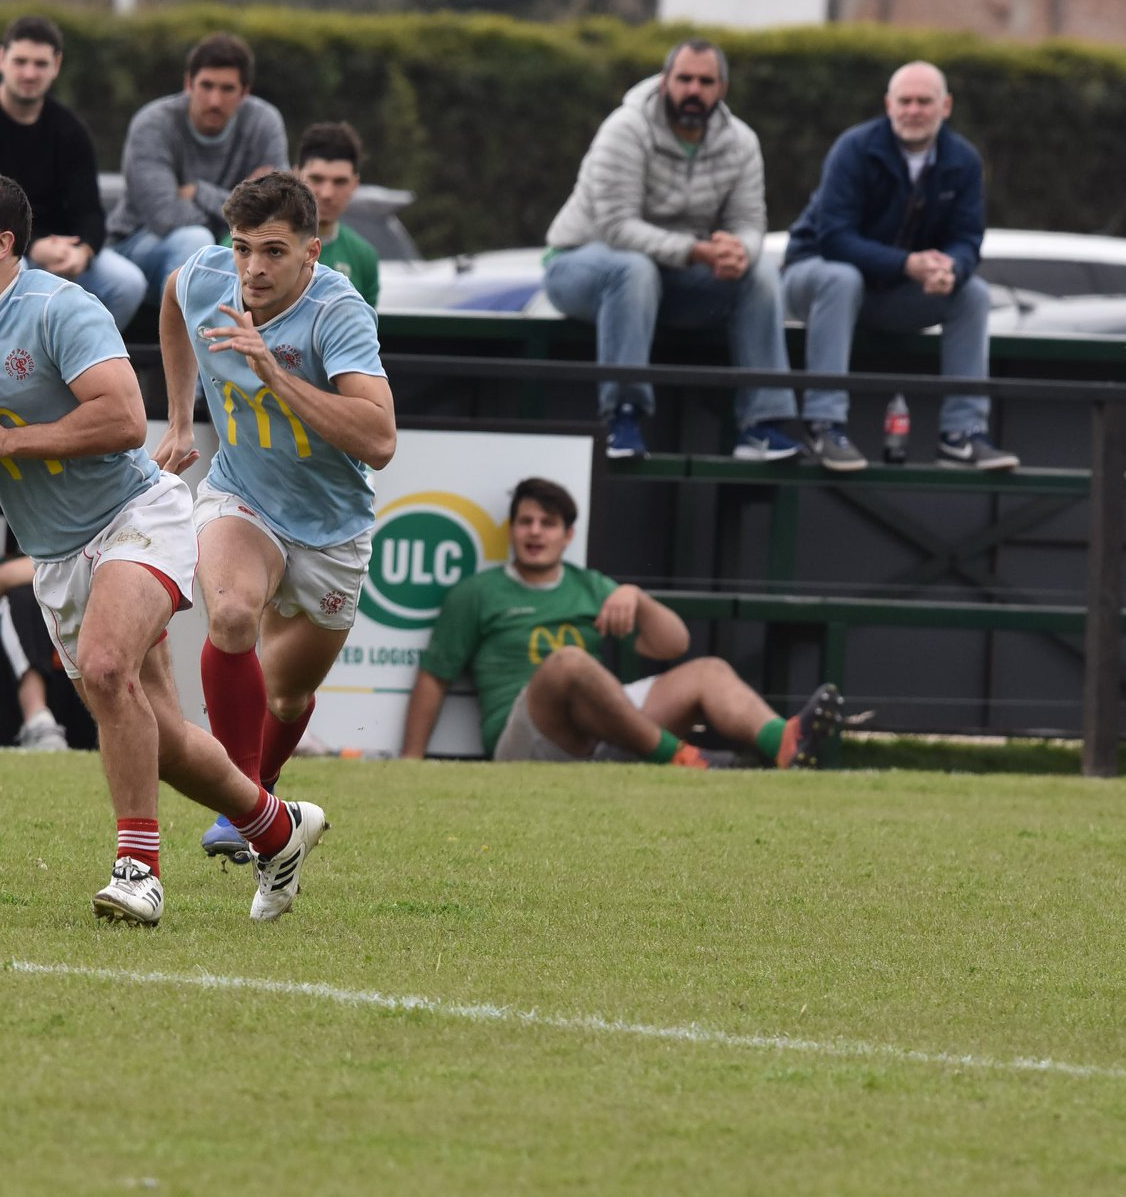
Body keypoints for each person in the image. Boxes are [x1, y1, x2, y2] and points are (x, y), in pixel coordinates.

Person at [0, 168, 327, 927]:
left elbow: (122, 421)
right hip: (56, 554)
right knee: (163, 739)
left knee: (109, 668)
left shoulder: (60, 307)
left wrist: (2, 439)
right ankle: (278, 830)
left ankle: (137, 871)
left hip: (134, 514)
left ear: (3, 242)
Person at [151, 172, 393, 863]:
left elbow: (379, 439)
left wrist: (276, 374)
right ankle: (246, 809)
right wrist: (180, 417)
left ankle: (260, 785)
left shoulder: (338, 312)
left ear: (312, 252)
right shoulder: (208, 278)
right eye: (243, 248)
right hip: (242, 495)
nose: (253, 267)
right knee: (231, 616)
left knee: (287, 699)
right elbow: (172, 297)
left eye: (274, 251)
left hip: (332, 526)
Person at [400, 478, 843, 768]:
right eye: (526, 522)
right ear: (512, 530)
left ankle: (782, 743)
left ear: (568, 535)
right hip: (527, 742)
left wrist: (637, 597)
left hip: (602, 733)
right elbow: (435, 676)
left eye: (548, 523)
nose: (535, 532)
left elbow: (673, 645)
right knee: (568, 661)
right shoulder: (477, 592)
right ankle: (682, 759)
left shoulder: (590, 585)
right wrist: (412, 760)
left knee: (709, 670)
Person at [543, 39, 801, 463]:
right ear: (665, 82)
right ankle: (621, 419)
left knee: (761, 273)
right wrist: (696, 251)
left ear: (722, 89)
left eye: (705, 81)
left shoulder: (742, 141)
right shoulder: (625, 128)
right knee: (633, 269)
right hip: (579, 264)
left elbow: (749, 221)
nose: (693, 89)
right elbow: (617, 228)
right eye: (684, 79)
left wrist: (739, 250)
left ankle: (762, 426)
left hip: (669, 278)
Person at [782, 61, 1019, 472]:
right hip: (813, 280)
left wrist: (950, 269)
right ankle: (824, 425)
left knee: (973, 293)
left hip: (886, 295)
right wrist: (907, 264)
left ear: (945, 106)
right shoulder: (854, 148)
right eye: (904, 101)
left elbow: (967, 239)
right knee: (842, 278)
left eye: (924, 101)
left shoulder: (963, 159)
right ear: (888, 104)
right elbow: (834, 239)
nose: (913, 110)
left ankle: (961, 434)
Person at [0, 15, 145, 330]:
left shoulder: (71, 130)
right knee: (13, 270)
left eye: (40, 63)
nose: (29, 73)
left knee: (127, 283)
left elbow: (90, 210)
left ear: (56, 65)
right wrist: (33, 245)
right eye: (20, 61)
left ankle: (82, 354)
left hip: (62, 250)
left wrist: (83, 252)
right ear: (1, 59)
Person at [105, 32, 288, 305]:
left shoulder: (264, 122)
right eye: (206, 86)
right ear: (189, 84)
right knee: (198, 241)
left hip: (231, 244)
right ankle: (184, 334)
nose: (215, 100)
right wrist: (246, 205)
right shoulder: (153, 123)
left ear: (244, 92)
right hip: (136, 243)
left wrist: (199, 192)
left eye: (227, 89)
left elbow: (278, 212)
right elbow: (165, 216)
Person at [0, 552, 97, 751]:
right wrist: (84, 566)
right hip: (8, 708)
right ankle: (38, 720)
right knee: (22, 596)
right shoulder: (5, 565)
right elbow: (1, 578)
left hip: (81, 693)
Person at [296, 121, 380, 306]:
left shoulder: (364, 257)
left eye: (340, 182)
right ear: (297, 175)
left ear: (355, 185)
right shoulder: (249, 243)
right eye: (317, 179)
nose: (327, 193)